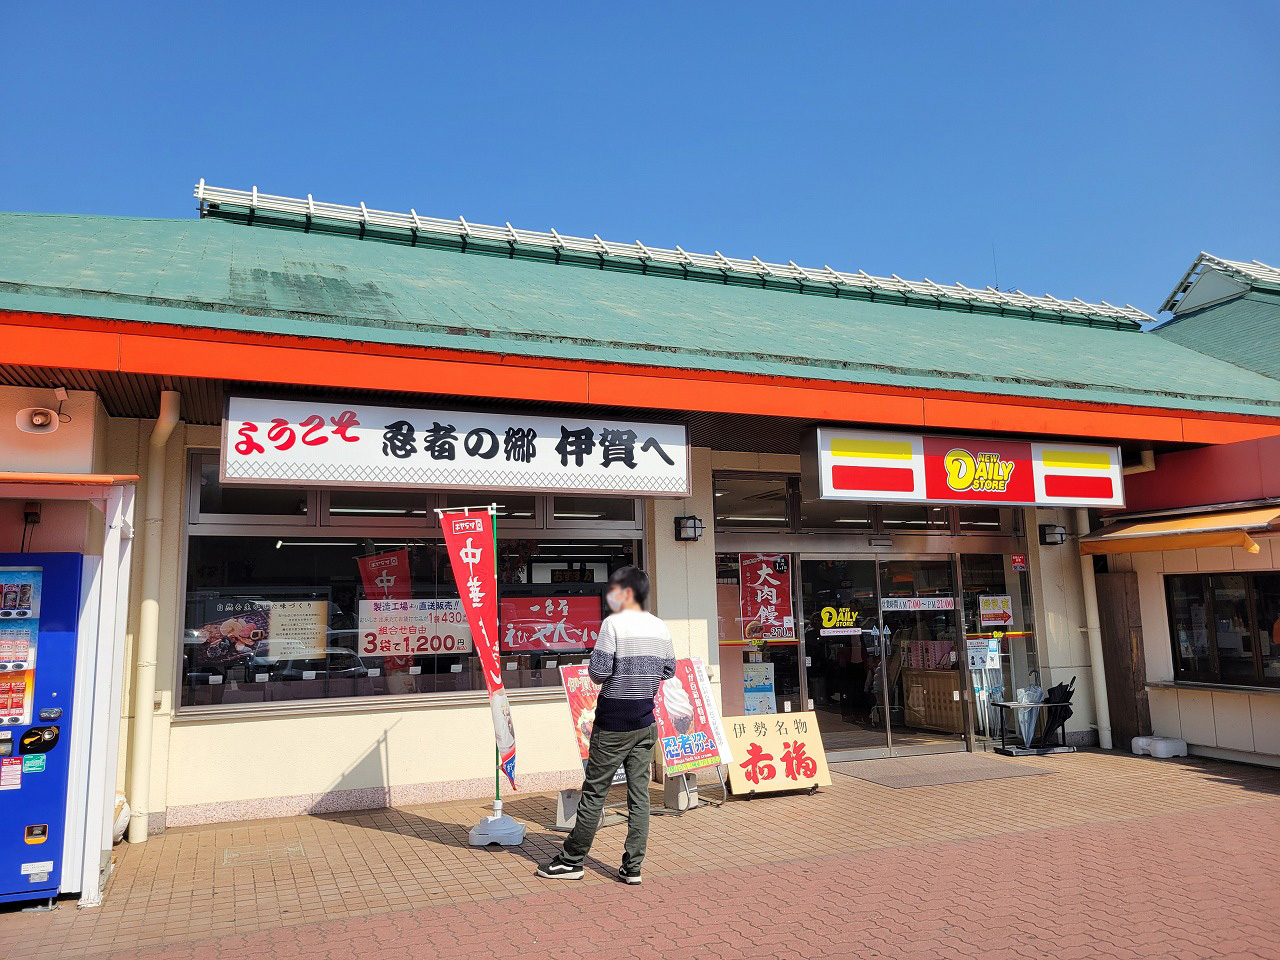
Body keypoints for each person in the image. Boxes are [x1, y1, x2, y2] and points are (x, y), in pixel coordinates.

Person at [537, 565, 675, 885]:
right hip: (645, 721)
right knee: (639, 797)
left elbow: (598, 673)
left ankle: (572, 860)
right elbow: (668, 670)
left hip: (613, 723)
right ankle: (633, 867)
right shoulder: (660, 627)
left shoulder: (613, 624)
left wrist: (620, 671)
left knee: (595, 793)